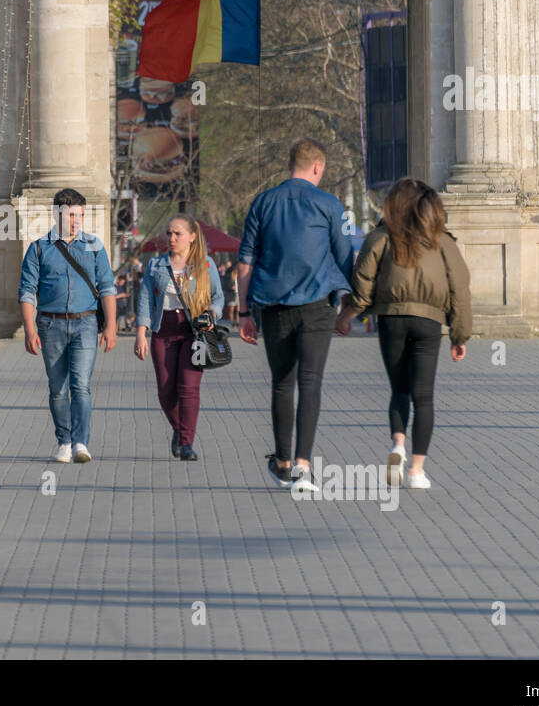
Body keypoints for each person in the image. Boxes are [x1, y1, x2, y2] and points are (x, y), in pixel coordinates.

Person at [335, 178, 472, 490]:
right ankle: (417, 471)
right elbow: (460, 289)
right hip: (429, 323)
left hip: (392, 320)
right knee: (424, 396)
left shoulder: (380, 238)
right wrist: (459, 335)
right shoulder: (444, 243)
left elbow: (363, 283)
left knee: (399, 390)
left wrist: (347, 316)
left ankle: (397, 444)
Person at [237, 138, 354, 493]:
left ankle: (283, 461)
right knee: (311, 381)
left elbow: (245, 262)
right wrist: (352, 309)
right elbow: (346, 258)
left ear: (291, 165)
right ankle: (304, 466)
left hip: (273, 307)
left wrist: (244, 312)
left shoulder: (263, 202)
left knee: (282, 383)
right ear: (317, 167)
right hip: (318, 306)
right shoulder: (328, 204)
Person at [19, 188, 118, 463]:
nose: (76, 221)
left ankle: (80, 442)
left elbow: (107, 287)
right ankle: (63, 441)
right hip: (50, 326)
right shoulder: (38, 248)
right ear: (57, 214)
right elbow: (27, 292)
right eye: (71, 215)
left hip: (86, 323)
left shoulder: (94, 246)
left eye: (80, 215)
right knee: (58, 388)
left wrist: (111, 326)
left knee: (81, 386)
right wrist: (29, 330)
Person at [134, 214, 224, 461]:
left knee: (188, 388)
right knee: (166, 391)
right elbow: (145, 300)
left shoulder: (205, 265)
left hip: (194, 332)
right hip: (163, 331)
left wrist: (211, 314)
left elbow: (218, 297)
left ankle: (186, 443)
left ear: (192, 237)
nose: (171, 238)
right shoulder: (155, 265)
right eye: (169, 233)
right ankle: (178, 428)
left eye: (178, 234)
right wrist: (141, 333)